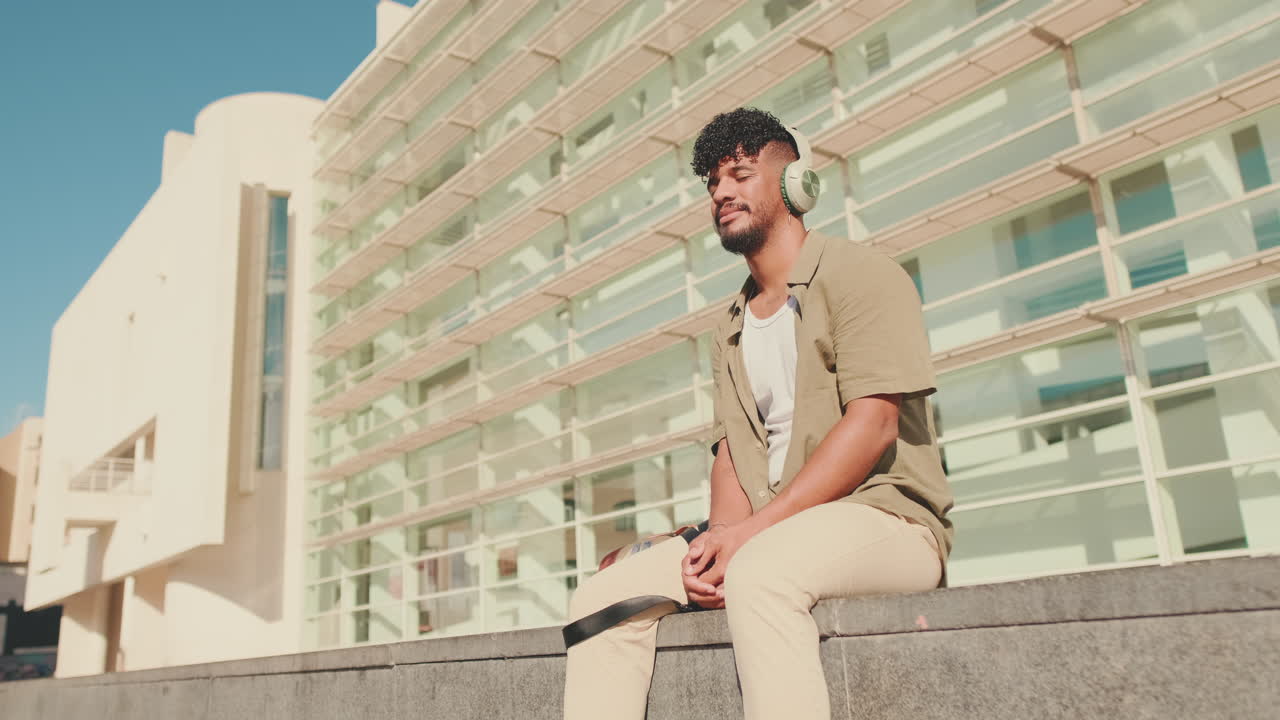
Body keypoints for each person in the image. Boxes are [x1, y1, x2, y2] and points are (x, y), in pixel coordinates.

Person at [562, 107, 954, 720]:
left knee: (762, 571)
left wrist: (749, 538)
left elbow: (873, 423)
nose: (721, 192)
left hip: (889, 521)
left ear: (796, 183)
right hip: (774, 533)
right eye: (713, 183)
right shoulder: (730, 327)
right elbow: (732, 454)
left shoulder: (861, 275)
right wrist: (717, 546)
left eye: (740, 175)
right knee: (602, 595)